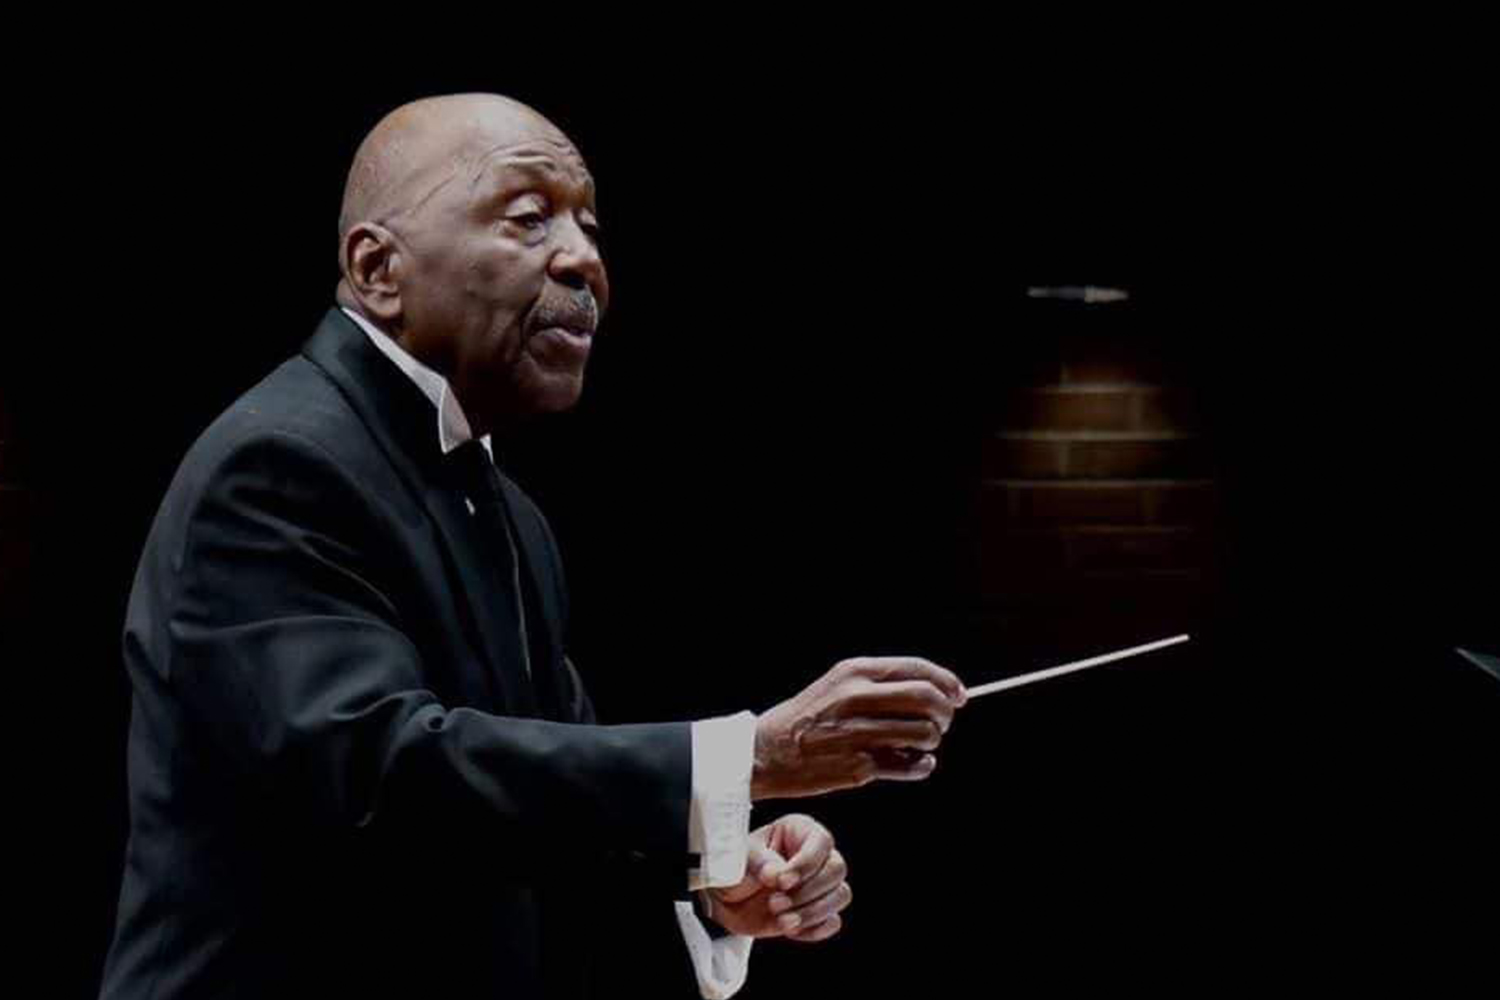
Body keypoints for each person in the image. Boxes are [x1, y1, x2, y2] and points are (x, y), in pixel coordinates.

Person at [97, 93, 968, 999]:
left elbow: (532, 807)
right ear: (377, 267)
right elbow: (387, 778)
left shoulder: (507, 509)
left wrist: (715, 885)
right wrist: (751, 754)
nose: (583, 257)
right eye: (528, 217)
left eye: (590, 225)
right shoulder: (278, 464)